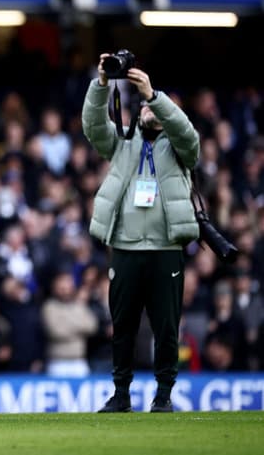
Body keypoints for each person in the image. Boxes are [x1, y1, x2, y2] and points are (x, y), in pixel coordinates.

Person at [82, 55, 200, 413]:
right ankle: (121, 394)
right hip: (125, 248)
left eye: (154, 108)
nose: (148, 110)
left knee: (167, 327)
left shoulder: (179, 149)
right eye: (143, 106)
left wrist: (153, 95)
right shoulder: (122, 144)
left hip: (165, 248)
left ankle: (163, 395)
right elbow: (93, 126)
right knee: (123, 327)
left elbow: (188, 134)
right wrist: (101, 85)